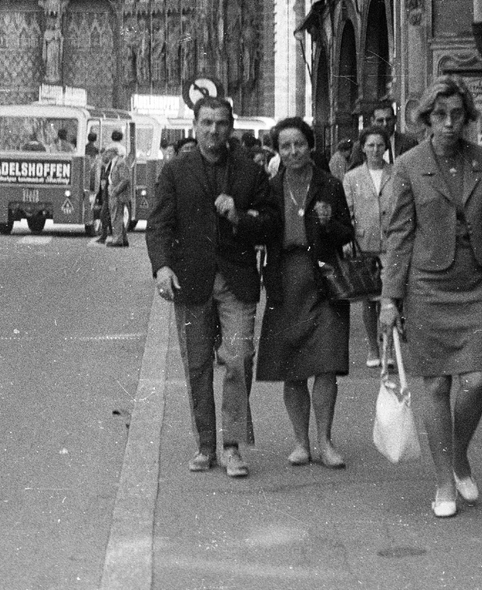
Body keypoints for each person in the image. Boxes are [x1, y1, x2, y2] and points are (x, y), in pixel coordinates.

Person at [379, 75, 482, 518]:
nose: (448, 123)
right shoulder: (407, 166)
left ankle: (458, 451)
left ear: (467, 118)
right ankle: (445, 478)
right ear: (426, 119)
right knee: (437, 383)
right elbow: (398, 237)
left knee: (477, 379)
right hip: (428, 286)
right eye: (439, 116)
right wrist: (390, 299)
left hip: (477, 283)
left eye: (456, 115)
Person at [147, 96, 280, 478]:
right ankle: (205, 445)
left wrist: (239, 215)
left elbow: (271, 223)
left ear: (231, 126)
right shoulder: (175, 171)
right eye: (206, 122)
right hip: (190, 280)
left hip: (236, 279)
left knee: (239, 359)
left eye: (221, 123)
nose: (213, 130)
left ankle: (233, 445)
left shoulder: (250, 172)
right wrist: (162, 268)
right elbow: (158, 226)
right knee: (197, 364)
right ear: (194, 125)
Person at [255, 117, 354, 468]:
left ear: (310, 145)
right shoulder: (270, 187)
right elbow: (261, 230)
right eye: (285, 146)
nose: (293, 151)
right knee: (292, 366)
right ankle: (301, 442)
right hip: (286, 280)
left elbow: (347, 234)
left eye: (299, 144)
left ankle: (325, 441)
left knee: (325, 365)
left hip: (323, 281)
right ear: (278, 151)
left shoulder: (329, 185)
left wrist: (329, 223)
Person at [343, 127, 394, 367]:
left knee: (391, 298)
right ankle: (373, 349)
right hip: (364, 244)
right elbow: (348, 212)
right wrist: (347, 239)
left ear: (386, 147)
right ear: (362, 147)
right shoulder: (352, 177)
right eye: (371, 145)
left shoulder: (396, 173)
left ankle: (389, 350)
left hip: (392, 243)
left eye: (380, 145)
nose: (375, 150)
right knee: (369, 300)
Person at [352, 100, 419, 168]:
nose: (385, 124)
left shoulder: (409, 143)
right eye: (380, 120)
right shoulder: (360, 147)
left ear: (395, 119)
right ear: (372, 121)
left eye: (388, 119)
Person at [108, 133, 134, 246]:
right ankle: (123, 239)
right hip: (116, 193)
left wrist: (115, 190)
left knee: (116, 217)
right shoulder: (115, 162)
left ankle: (117, 240)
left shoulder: (120, 163)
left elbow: (125, 179)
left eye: (109, 152)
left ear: (114, 153)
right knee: (118, 216)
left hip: (118, 194)